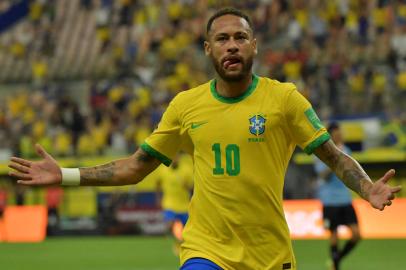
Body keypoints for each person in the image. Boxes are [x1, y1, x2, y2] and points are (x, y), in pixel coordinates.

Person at [8, 8, 401, 270]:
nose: (232, 44)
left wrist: (366, 187)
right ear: (208, 49)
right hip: (205, 249)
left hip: (269, 253)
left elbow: (333, 157)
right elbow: (134, 167)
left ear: (254, 46)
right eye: (223, 38)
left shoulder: (284, 100)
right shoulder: (186, 106)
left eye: (241, 37)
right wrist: (68, 175)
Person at [314, 122, 360, 270]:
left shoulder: (346, 150)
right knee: (333, 236)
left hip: (345, 199)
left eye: (340, 133)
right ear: (330, 136)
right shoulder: (321, 152)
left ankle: (335, 260)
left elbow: (351, 174)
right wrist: (334, 158)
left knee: (356, 234)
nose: (340, 135)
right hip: (329, 201)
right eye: (337, 133)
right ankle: (336, 266)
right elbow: (322, 175)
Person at [156, 154, 193, 255]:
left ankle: (182, 244)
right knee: (171, 223)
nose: (174, 159)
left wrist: (187, 186)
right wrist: (158, 198)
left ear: (179, 158)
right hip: (169, 203)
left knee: (186, 230)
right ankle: (178, 242)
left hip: (184, 205)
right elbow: (158, 184)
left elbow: (192, 188)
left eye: (176, 156)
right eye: (172, 157)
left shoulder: (186, 170)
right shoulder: (163, 170)